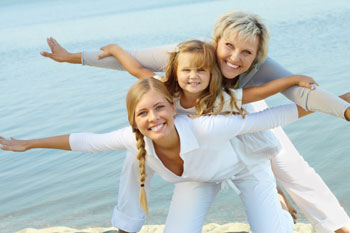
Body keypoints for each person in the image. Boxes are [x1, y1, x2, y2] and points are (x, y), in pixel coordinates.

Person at [40, 10, 350, 233]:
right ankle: (127, 223)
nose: (235, 57)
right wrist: (71, 57)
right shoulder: (189, 56)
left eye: (246, 52)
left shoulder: (259, 67)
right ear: (216, 41)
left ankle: (335, 225)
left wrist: (343, 109)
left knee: (286, 163)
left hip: (242, 111)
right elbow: (135, 63)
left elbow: (299, 93)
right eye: (228, 46)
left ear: (256, 55)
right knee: (136, 152)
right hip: (196, 125)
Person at [1, 78, 315, 233]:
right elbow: (84, 140)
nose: (153, 118)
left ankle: (277, 201)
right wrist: (28, 143)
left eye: (159, 107)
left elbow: (270, 118)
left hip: (245, 168)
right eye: (143, 113)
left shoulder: (205, 127)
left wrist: (336, 103)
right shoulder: (134, 139)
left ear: (173, 107)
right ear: (133, 120)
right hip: (198, 178)